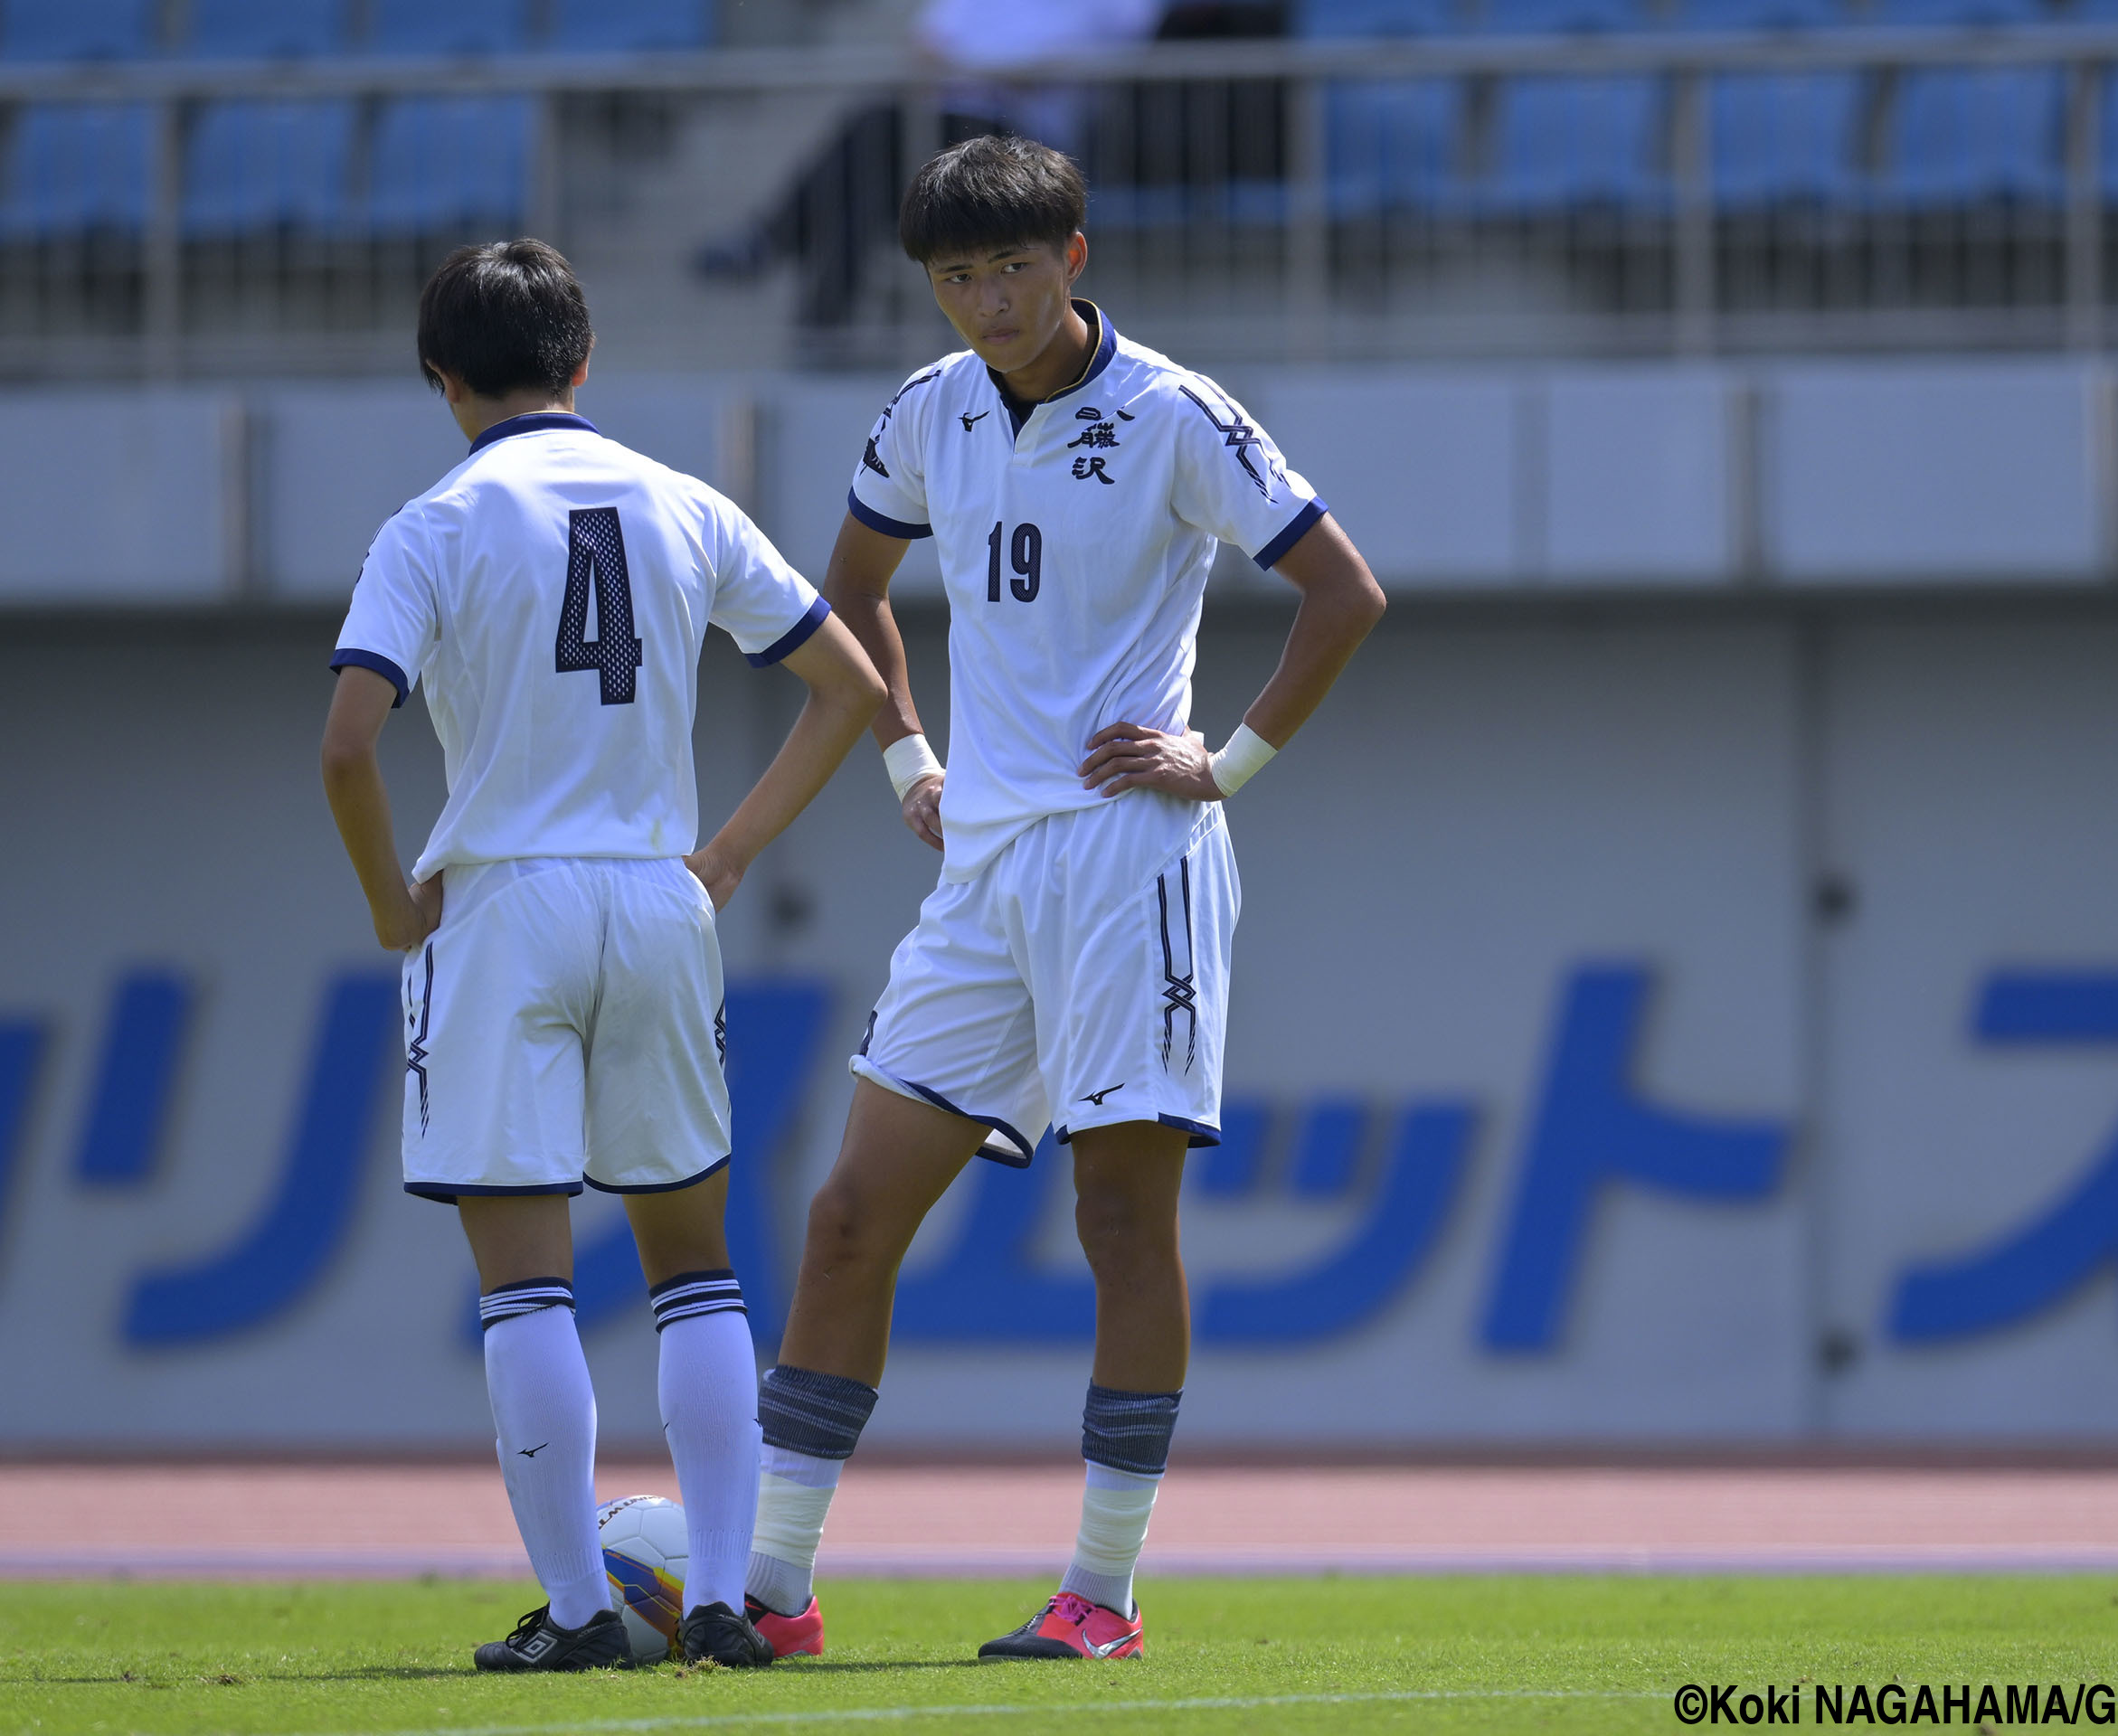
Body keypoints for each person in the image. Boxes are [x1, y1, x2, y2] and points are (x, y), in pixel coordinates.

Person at [741, 135, 1387, 1663]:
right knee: (842, 1222)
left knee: (1117, 1213)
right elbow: (846, 605)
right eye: (956, 279)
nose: (986, 303)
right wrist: (906, 753)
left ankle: (1103, 1592)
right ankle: (772, 1592)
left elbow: (1345, 591)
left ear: (1074, 258)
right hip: (984, 871)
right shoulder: (927, 410)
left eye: (1012, 270)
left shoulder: (1174, 413)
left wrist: (1224, 766)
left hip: (1127, 860)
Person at [319, 239, 884, 1672]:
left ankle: (577, 1615)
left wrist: (393, 902)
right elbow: (851, 688)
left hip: (502, 903)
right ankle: (717, 1602)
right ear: (584, 364)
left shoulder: (433, 522)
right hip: (655, 895)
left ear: (442, 380)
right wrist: (734, 851)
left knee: (526, 1284)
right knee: (695, 1269)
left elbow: (347, 745)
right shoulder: (682, 500)